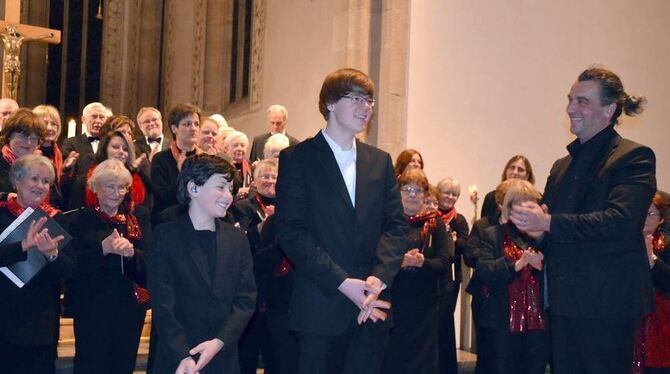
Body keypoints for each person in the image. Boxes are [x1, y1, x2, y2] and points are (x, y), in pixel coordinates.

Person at [510, 66, 656, 374]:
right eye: (570, 100)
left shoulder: (635, 157)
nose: (570, 108)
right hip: (564, 302)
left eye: (581, 101)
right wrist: (535, 230)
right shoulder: (561, 166)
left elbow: (620, 221)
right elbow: (554, 232)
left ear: (609, 109)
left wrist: (548, 223)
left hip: (608, 303)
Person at [275, 67, 408, 373]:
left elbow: (395, 226)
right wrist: (342, 283)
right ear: (331, 103)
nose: (366, 107)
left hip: (373, 305)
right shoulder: (298, 159)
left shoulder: (380, 161)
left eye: (370, 101)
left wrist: (379, 278)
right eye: (357, 98)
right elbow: (291, 232)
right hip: (321, 306)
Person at [149, 154, 256, 374]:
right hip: (177, 359)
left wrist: (219, 342)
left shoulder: (237, 239)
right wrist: (182, 355)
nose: (228, 196)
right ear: (194, 189)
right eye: (221, 187)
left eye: (230, 189)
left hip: (223, 357)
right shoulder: (165, 236)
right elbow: (163, 304)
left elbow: (245, 300)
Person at [65, 159, 151, 374]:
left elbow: (152, 263)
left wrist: (132, 252)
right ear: (95, 188)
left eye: (121, 186)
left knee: (123, 364)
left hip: (129, 308)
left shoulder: (138, 217)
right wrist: (101, 249)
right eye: (109, 186)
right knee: (90, 364)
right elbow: (69, 267)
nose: (116, 192)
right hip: (91, 307)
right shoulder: (78, 219)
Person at [0, 155, 72, 374]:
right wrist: (22, 245)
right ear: (16, 182)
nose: (40, 186)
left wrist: (52, 254)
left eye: (46, 181)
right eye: (34, 179)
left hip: (40, 322)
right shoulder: (1, 213)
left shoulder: (57, 219)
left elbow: (70, 271)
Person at [382, 169, 451, 374]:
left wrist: (423, 263)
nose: (413, 194)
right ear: (398, 192)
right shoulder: (389, 222)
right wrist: (400, 263)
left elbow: (445, 262)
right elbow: (376, 259)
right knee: (393, 357)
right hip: (394, 301)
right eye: (408, 189)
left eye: (418, 190)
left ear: (425, 195)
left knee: (423, 360)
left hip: (425, 304)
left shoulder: (436, 223)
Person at [476, 179, 549, 374]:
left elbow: (561, 273)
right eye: (519, 204)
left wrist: (541, 265)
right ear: (508, 208)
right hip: (502, 320)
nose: (525, 209)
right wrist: (516, 265)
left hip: (538, 321)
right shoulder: (492, 234)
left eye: (530, 204)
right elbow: (484, 271)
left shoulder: (545, 237)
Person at [232, 159, 298, 374]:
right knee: (248, 354)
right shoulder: (243, 206)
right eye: (265, 176)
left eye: (274, 177)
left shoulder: (290, 211)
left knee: (279, 358)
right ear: (255, 181)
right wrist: (266, 223)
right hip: (255, 290)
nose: (270, 181)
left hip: (284, 298)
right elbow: (243, 245)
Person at [466, 180, 514, 374]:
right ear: (500, 203)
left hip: (512, 296)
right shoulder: (484, 225)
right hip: (485, 297)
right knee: (486, 352)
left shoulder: (523, 228)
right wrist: (497, 260)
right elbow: (470, 255)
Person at [435, 177, 470, 374]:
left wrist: (453, 240)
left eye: (454, 194)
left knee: (445, 320)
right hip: (433, 276)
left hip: (451, 277)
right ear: (438, 192)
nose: (450, 197)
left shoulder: (460, 220)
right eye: (447, 192)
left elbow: (465, 245)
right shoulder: (430, 215)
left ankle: (447, 367)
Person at [68, 130, 152, 211]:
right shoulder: (85, 181)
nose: (121, 151)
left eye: (125, 149)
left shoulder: (140, 179)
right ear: (105, 149)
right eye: (115, 147)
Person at [633, 192, 670, 374]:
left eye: (651, 214)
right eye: (641, 212)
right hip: (630, 314)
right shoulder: (625, 242)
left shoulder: (667, 244)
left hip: (659, 319)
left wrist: (652, 258)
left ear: (662, 219)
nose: (645, 218)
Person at [150, 103, 202, 219]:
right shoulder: (161, 159)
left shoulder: (205, 159)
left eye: (196, 124)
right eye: (187, 124)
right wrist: (183, 175)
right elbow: (162, 198)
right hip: (169, 220)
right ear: (174, 129)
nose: (193, 128)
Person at [61, 102, 112, 178]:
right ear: (83, 119)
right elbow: (66, 172)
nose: (98, 121)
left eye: (101, 117)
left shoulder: (110, 143)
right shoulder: (70, 143)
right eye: (94, 117)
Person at [0, 108, 45, 193]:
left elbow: (55, 200)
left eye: (34, 138)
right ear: (9, 135)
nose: (29, 142)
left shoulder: (40, 168)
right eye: (23, 135)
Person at [480, 155, 535, 219]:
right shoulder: (492, 197)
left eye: (520, 170)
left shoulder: (534, 198)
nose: (515, 172)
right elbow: (485, 225)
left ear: (527, 176)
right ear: (506, 171)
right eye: (512, 168)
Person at [225, 130, 253, 200]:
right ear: (227, 148)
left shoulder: (252, 167)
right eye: (235, 145)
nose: (239, 148)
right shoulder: (223, 165)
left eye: (242, 146)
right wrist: (236, 193)